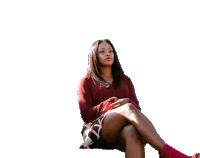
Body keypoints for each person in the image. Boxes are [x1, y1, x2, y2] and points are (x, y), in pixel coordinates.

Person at [78, 39, 199, 158]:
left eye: (111, 51)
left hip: (122, 132)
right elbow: (86, 114)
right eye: (102, 51)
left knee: (132, 131)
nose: (108, 53)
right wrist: (109, 105)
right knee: (128, 108)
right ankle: (169, 153)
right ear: (94, 56)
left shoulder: (125, 80)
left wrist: (126, 102)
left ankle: (168, 153)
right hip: (99, 132)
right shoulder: (87, 82)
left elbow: (136, 109)